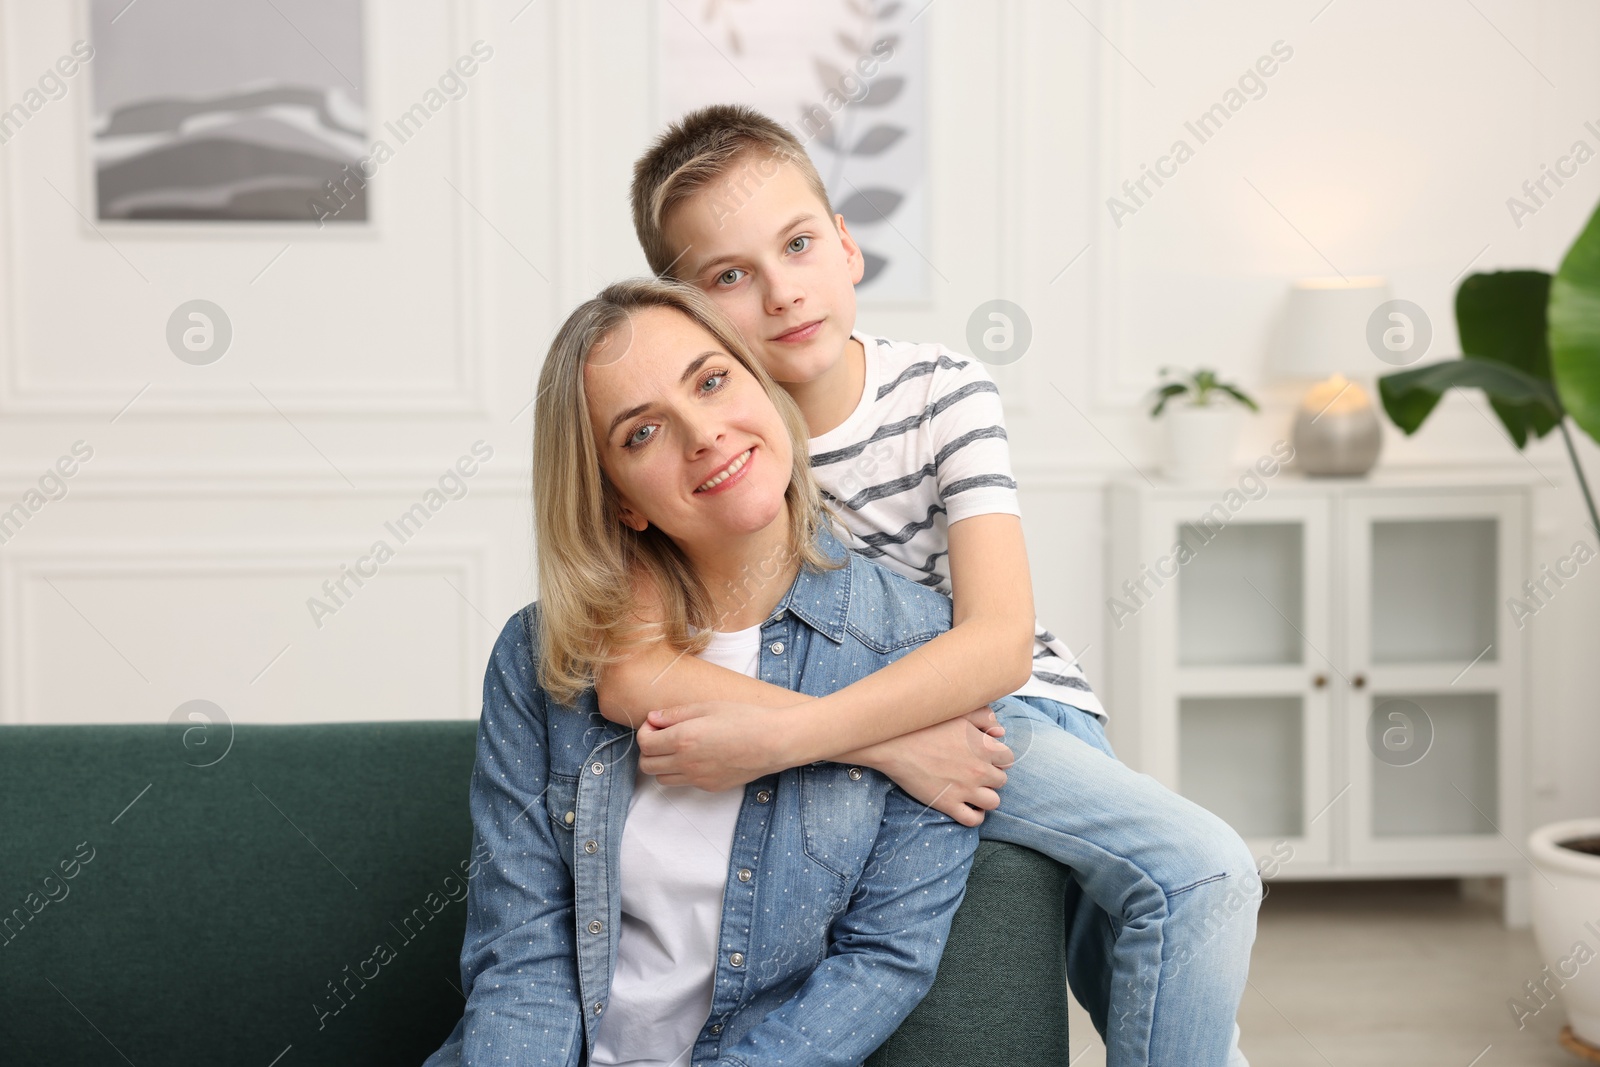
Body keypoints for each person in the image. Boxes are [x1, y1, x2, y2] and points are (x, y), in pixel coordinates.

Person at [596, 104, 1261, 1067]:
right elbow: (630, 676)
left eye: (798, 244)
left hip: (1019, 708)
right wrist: (889, 742)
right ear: (688, 309)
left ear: (848, 249)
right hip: (930, 726)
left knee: (1191, 888)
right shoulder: (712, 456)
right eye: (731, 275)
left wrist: (794, 735)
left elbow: (998, 642)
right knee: (1179, 927)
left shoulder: (944, 390)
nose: (782, 292)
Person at [422, 279, 996, 1067]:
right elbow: (520, 958)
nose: (702, 434)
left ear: (762, 382)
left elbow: (882, 962)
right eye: (641, 432)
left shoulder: (922, 654)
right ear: (622, 502)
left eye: (712, 380)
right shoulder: (538, 657)